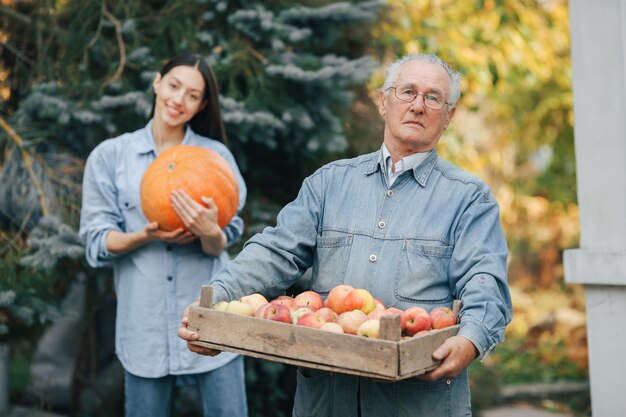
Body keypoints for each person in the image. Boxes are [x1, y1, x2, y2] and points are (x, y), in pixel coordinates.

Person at [179, 53, 513, 417]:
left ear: (448, 116)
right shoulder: (329, 183)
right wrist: (216, 305)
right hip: (326, 402)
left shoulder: (468, 199)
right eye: (407, 92)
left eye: (433, 97)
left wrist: (471, 338)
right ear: (384, 102)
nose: (418, 105)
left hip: (418, 404)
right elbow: (274, 253)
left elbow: (486, 280)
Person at [79, 53, 248, 417]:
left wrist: (209, 231)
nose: (178, 100)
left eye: (192, 95)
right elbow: (95, 243)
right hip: (145, 326)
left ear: (202, 104)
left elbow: (226, 238)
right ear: (157, 83)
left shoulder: (215, 156)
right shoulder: (110, 157)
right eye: (173, 86)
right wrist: (144, 236)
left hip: (213, 315)